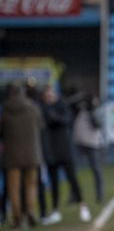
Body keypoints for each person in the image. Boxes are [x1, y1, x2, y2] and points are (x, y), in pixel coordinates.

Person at [41, 86, 91, 223]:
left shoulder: (62, 106)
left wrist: (55, 116)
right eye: (47, 95)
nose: (49, 97)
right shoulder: (43, 109)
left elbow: (67, 120)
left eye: (51, 94)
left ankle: (82, 206)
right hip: (51, 151)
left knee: (73, 179)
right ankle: (55, 210)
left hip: (65, 150)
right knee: (54, 183)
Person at [0, 84, 43, 229]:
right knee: (31, 185)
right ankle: (30, 211)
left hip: (12, 155)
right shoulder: (33, 108)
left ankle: (17, 216)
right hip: (32, 154)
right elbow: (41, 125)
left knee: (14, 188)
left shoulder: (6, 111)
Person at [73, 94, 106, 204]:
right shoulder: (80, 112)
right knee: (73, 171)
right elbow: (69, 104)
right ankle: (74, 196)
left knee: (96, 170)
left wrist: (92, 110)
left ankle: (100, 196)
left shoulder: (96, 112)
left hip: (92, 144)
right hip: (80, 144)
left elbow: (97, 124)